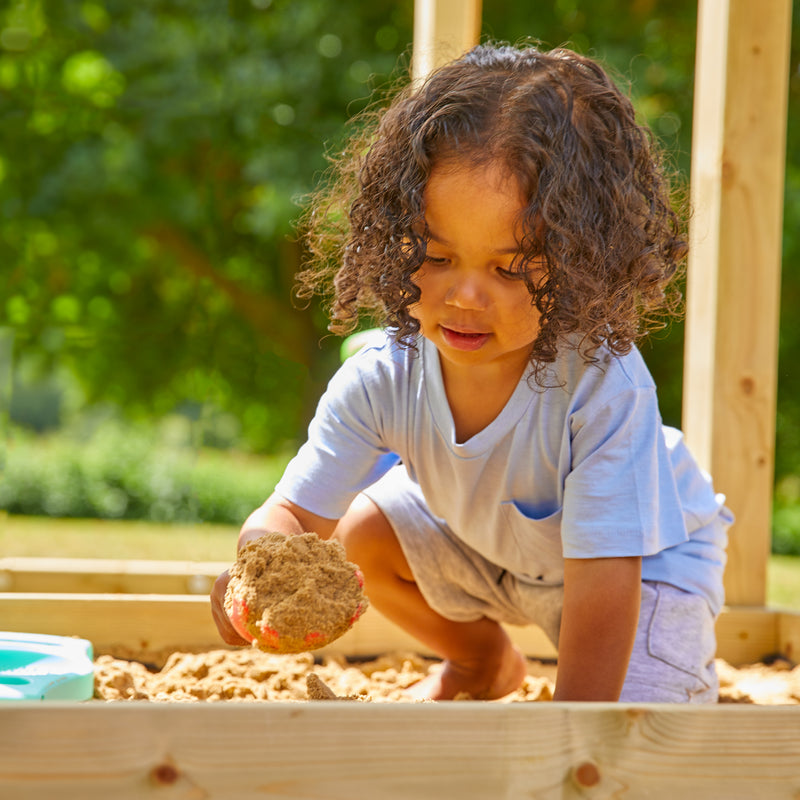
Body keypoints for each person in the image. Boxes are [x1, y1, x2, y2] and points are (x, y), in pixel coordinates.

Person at [211, 42, 732, 703]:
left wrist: (574, 738)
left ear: (582, 263)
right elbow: (292, 514)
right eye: (434, 256)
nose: (464, 296)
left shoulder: (603, 383)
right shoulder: (384, 376)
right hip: (503, 555)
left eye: (509, 269)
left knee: (643, 730)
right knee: (362, 536)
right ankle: (483, 662)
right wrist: (258, 565)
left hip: (646, 569)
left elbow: (605, 581)